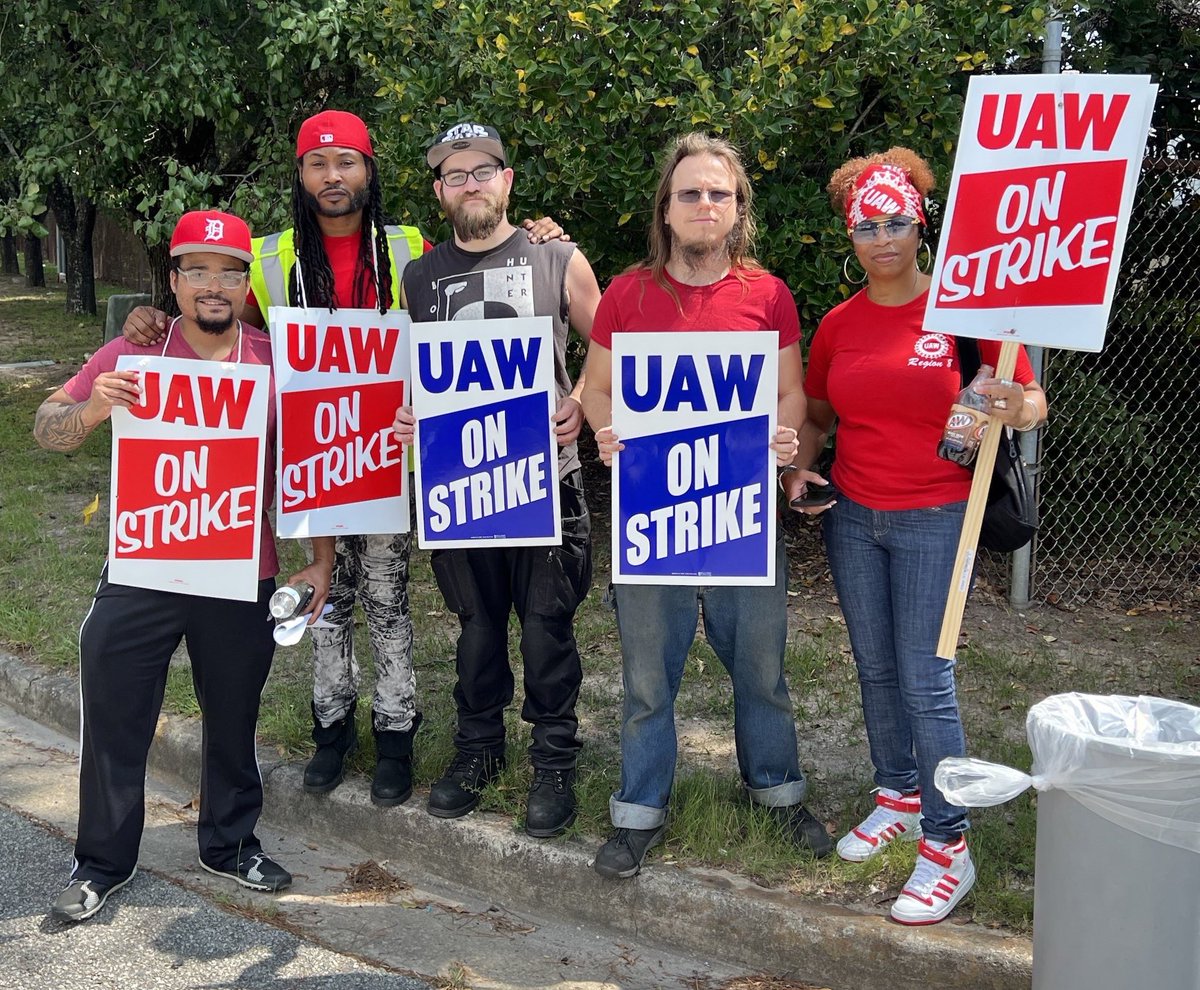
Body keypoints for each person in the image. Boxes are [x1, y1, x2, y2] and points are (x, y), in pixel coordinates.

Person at [124, 111, 563, 809]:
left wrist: (541, 236)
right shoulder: (267, 260)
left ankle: (395, 735)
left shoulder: (410, 244)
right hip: (309, 458)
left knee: (388, 600)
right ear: (300, 175)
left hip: (389, 457)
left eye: (348, 162)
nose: (334, 176)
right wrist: (149, 322)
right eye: (318, 163)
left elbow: (485, 254)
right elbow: (221, 331)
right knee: (326, 600)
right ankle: (331, 731)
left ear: (369, 172)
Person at [34, 210, 334, 922]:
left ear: (244, 283)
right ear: (173, 280)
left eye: (228, 271)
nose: (213, 285)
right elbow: (50, 429)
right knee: (115, 717)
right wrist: (94, 410)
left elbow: (310, 468)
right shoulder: (133, 355)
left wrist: (320, 561)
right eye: (196, 270)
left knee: (233, 718)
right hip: (144, 569)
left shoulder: (272, 360)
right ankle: (102, 862)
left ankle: (228, 845)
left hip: (239, 573)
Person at [783, 148, 1048, 925]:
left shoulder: (969, 316)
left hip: (940, 516)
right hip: (855, 518)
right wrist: (801, 468)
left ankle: (948, 844)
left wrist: (1015, 408)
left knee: (927, 679)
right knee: (874, 669)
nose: (883, 236)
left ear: (921, 222)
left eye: (897, 219)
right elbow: (821, 415)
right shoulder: (838, 323)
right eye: (867, 224)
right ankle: (898, 794)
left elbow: (1031, 402)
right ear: (850, 234)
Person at [579, 132, 832, 880]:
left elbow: (790, 389)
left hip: (741, 516)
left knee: (760, 667)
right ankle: (639, 811)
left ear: (737, 207)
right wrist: (602, 428)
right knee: (647, 676)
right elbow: (595, 386)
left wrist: (786, 439)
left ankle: (777, 795)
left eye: (718, 193)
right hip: (650, 515)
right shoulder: (627, 294)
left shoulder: (768, 294)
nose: (703, 204)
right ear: (667, 206)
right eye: (689, 192)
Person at [393, 121, 602, 838]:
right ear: (440, 192)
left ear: (507, 180)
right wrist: (412, 417)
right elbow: (415, 376)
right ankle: (477, 749)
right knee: (476, 628)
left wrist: (584, 402)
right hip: (461, 484)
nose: (471, 183)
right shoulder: (419, 278)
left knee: (547, 626)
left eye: (484, 170)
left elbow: (609, 345)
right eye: (455, 175)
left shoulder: (558, 256)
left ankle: (552, 757)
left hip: (549, 479)